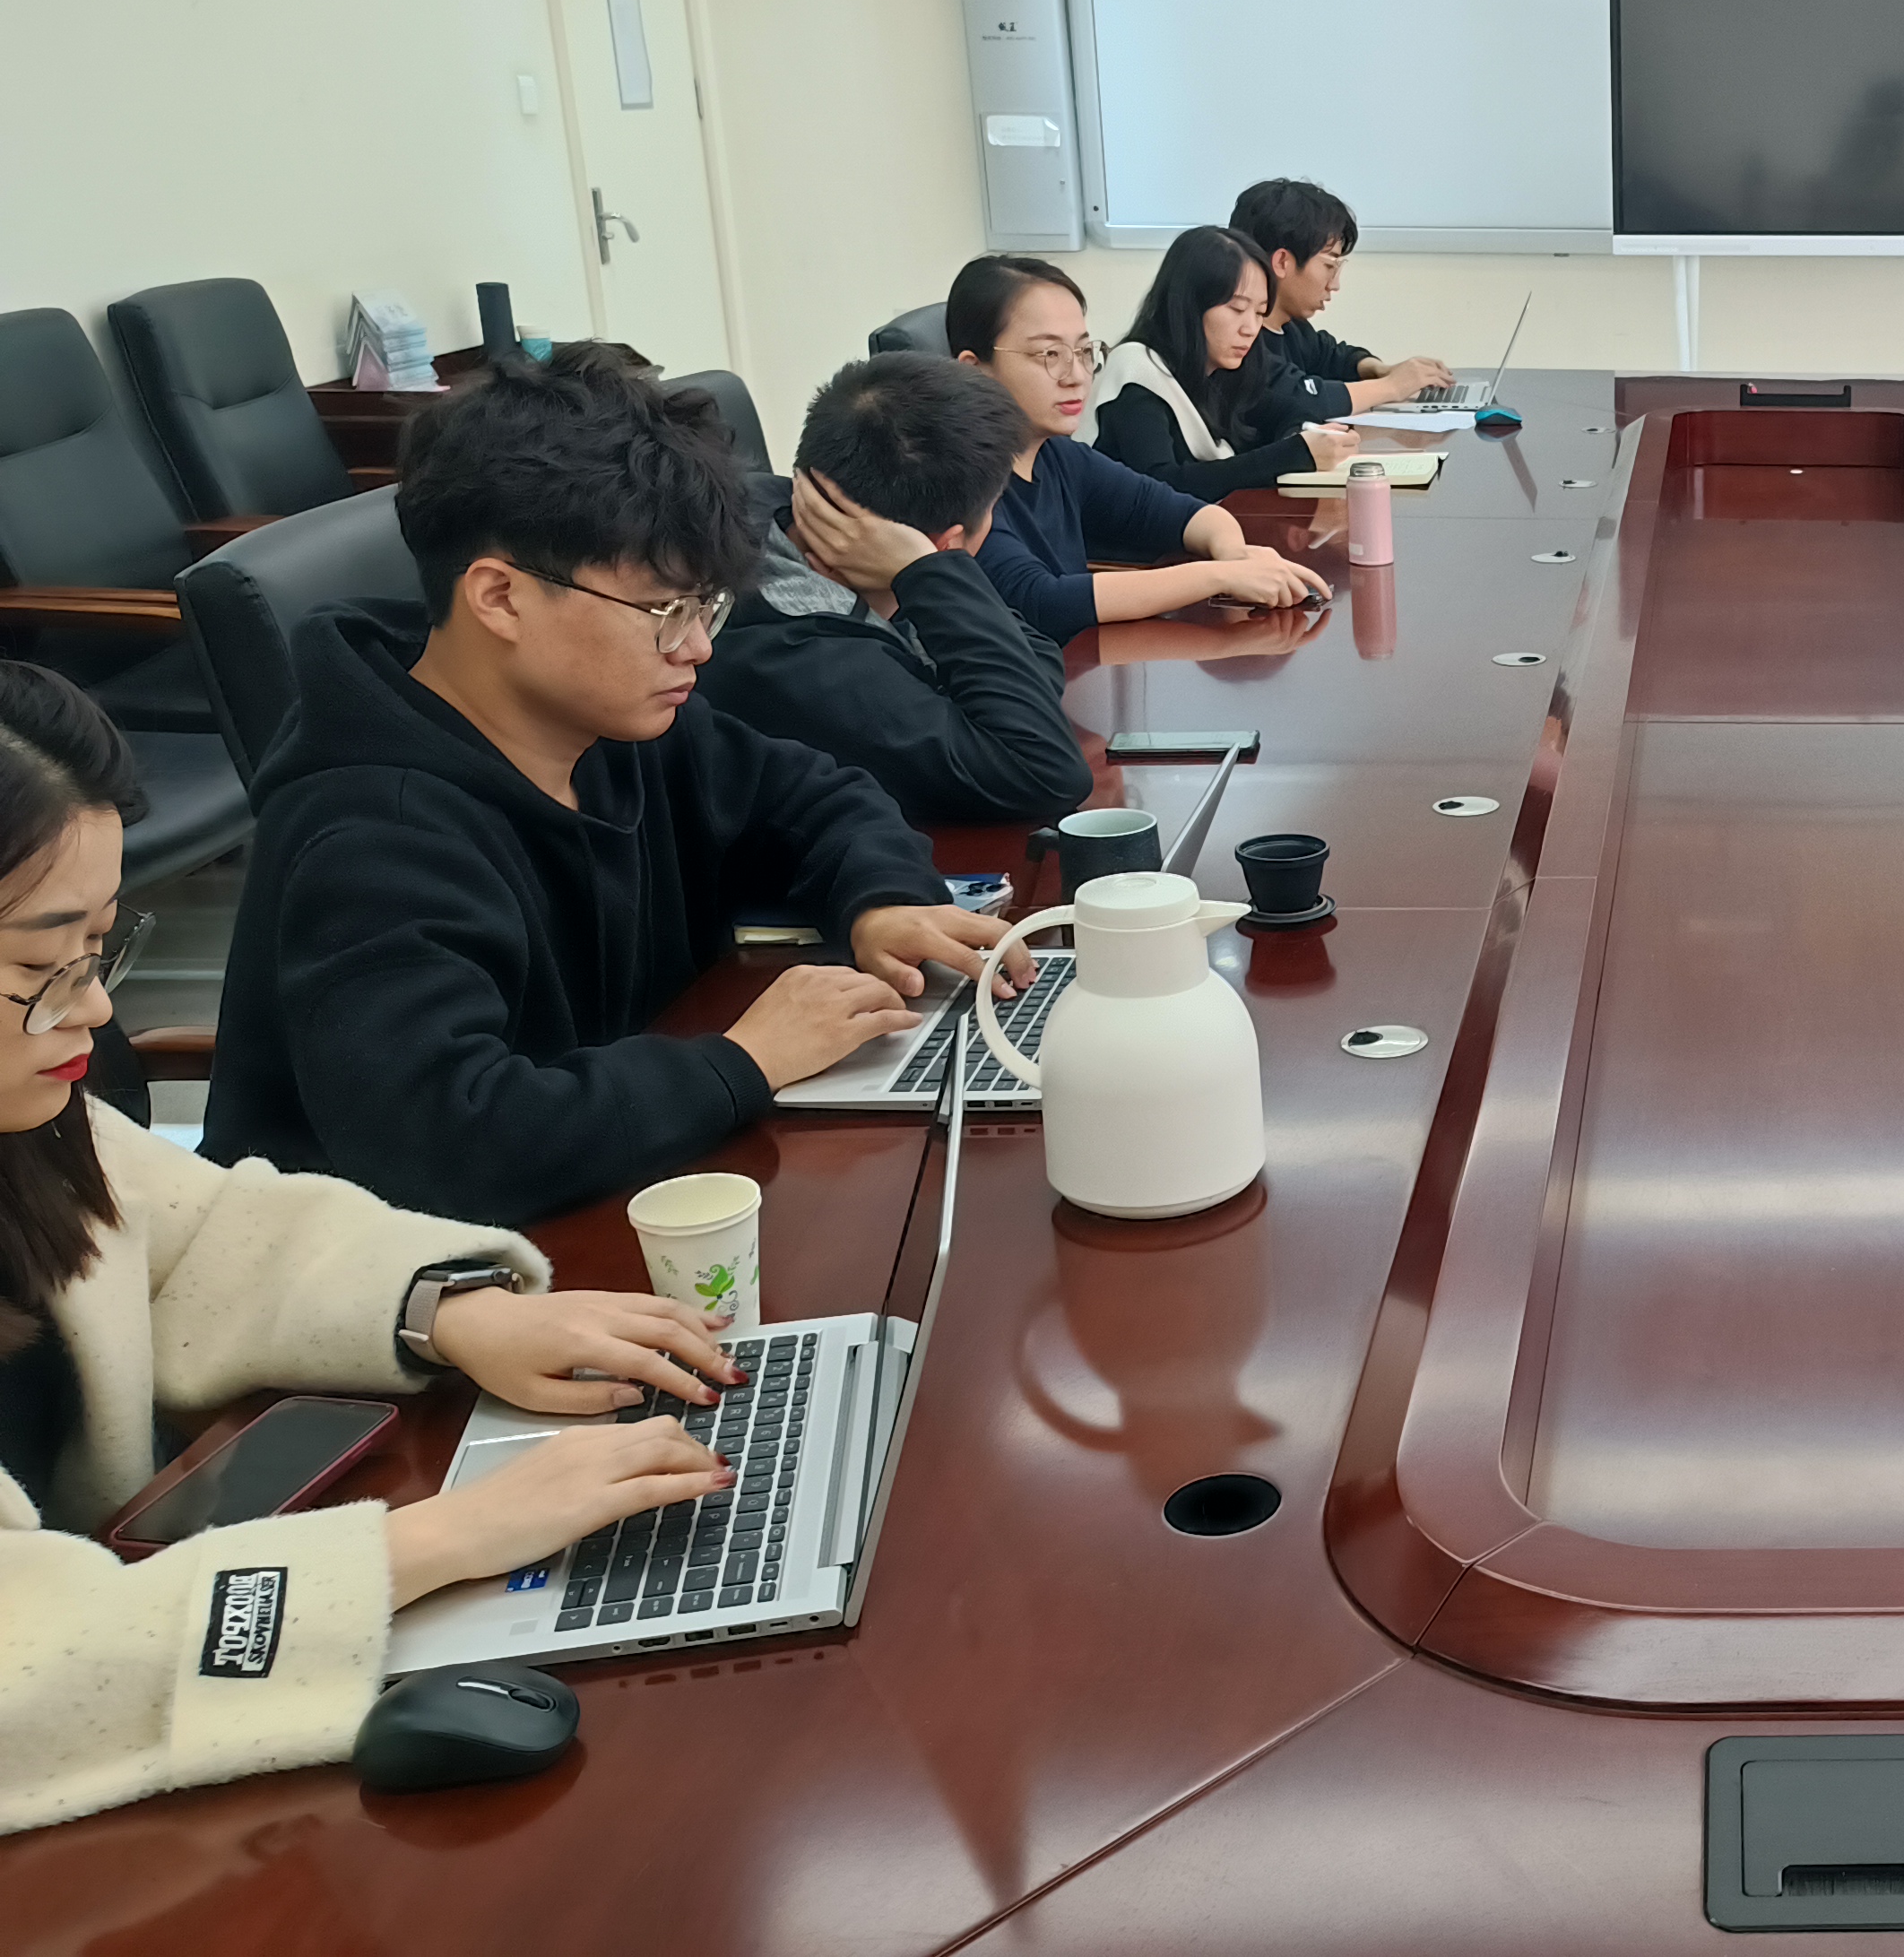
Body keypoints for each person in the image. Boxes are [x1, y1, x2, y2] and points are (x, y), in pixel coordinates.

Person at [0, 663, 742, 1835]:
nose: (93, 1008)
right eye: (39, 965)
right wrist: (439, 1539)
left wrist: (454, 1309)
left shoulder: (38, 1124)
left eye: (100, 947)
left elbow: (202, 1233)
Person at [203, 347, 1024, 1227]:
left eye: (706, 607)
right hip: (388, 1277)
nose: (698, 647)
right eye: (666, 612)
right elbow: (451, 1143)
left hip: (606, 1198)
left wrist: (881, 902)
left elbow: (816, 796)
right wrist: (744, 1060)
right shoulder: (371, 837)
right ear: (500, 597)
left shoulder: (602, 723)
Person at [697, 353, 1095, 826]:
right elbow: (1045, 772)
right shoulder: (798, 655)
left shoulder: (778, 511)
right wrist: (928, 572)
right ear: (947, 544)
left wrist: (924, 575)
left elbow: (1038, 655)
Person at [949, 255, 1328, 645]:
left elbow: (1183, 512)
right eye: (1050, 355)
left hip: (1075, 666)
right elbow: (1042, 601)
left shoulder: (1059, 455)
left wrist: (1235, 556)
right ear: (973, 369)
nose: (1077, 376)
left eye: (1083, 351)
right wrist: (1221, 576)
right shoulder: (958, 485)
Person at [1093, 225, 1361, 503]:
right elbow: (1161, 485)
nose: (1250, 329)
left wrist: (1302, 435)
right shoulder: (1137, 372)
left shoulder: (1223, 365)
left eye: (1260, 312)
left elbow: (1287, 411)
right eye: (1237, 309)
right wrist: (1295, 453)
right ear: (1189, 304)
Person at [1220, 178, 1455, 445]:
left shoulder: (1290, 327)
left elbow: (1332, 357)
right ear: (1283, 261)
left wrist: (1380, 369)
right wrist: (1392, 386)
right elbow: (1303, 399)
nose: (1334, 285)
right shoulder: (1238, 343)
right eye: (1330, 266)